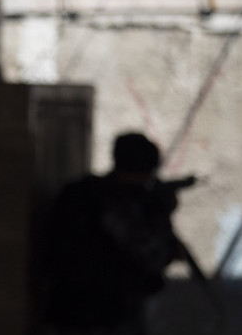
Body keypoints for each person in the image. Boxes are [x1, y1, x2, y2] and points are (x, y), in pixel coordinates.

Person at [43, 132, 187, 335]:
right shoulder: (114, 203)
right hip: (102, 315)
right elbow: (147, 252)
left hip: (72, 311)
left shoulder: (80, 192)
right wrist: (161, 219)